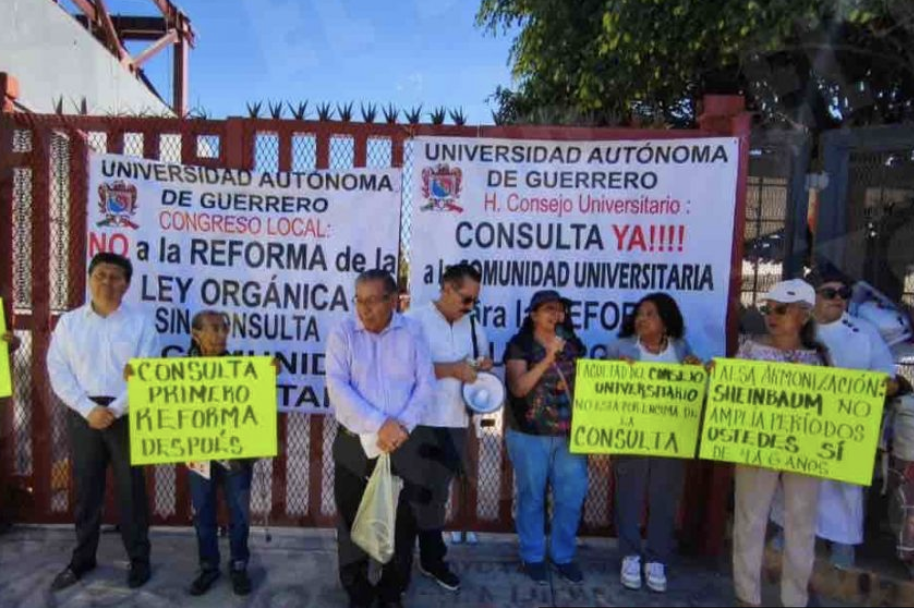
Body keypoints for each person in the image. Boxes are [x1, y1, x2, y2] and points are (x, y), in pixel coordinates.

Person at [770, 264, 897, 568]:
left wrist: (865, 389)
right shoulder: (796, 330)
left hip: (846, 431)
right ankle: (788, 534)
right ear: (811, 298)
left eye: (844, 293)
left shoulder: (864, 333)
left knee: (843, 493)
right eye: (830, 293)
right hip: (801, 426)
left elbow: (888, 379)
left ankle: (841, 546)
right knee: (794, 483)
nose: (838, 298)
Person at [46, 252, 158, 591]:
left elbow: (147, 370)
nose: (107, 282)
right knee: (87, 491)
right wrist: (86, 408)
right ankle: (82, 559)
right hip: (85, 416)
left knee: (132, 492)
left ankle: (139, 560)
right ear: (90, 278)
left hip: (125, 415)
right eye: (101, 275)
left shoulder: (140, 324)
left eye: (116, 277)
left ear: (126, 284)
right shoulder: (70, 323)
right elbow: (58, 369)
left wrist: (117, 409)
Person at [326, 269, 436, 608]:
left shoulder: (412, 331)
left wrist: (399, 426)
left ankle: (392, 590)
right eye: (359, 300)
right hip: (354, 445)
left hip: (404, 442)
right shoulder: (343, 333)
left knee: (403, 522)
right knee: (351, 519)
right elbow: (338, 388)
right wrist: (379, 424)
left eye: (373, 301)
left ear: (392, 300)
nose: (364, 309)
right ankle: (357, 590)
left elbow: (426, 384)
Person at [731, 279, 828, 608]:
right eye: (768, 309)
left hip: (804, 450)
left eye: (781, 310)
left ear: (803, 315)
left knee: (801, 524)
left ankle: (795, 599)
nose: (772, 316)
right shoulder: (749, 350)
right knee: (749, 518)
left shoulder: (820, 358)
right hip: (756, 446)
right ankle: (747, 596)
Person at [404, 262, 493, 590]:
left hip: (455, 422)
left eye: (474, 301)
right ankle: (397, 564)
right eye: (466, 299)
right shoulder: (413, 320)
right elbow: (402, 369)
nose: (470, 306)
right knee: (409, 495)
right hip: (416, 422)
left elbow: (477, 368)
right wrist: (452, 369)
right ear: (446, 288)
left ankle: (431, 559)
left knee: (437, 497)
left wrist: (481, 367)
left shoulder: (474, 326)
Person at [605, 293, 702, 593]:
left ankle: (657, 558)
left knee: (664, 500)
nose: (641, 319)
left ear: (665, 322)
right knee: (629, 500)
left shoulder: (681, 349)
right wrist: (617, 372)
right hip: (631, 438)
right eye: (639, 313)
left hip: (670, 440)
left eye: (650, 314)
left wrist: (697, 371)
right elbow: (606, 395)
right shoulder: (619, 348)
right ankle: (630, 556)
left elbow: (696, 390)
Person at [504, 289, 588, 585]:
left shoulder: (574, 344)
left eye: (561, 310)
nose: (557, 315)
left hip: (569, 437)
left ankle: (563, 555)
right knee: (532, 497)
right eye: (549, 309)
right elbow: (519, 388)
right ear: (533, 314)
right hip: (530, 436)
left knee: (571, 497)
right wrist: (549, 356)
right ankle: (532, 556)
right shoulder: (519, 345)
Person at [182, 310, 257, 596]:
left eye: (224, 328)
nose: (220, 334)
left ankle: (238, 565)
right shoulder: (178, 372)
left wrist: (266, 375)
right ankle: (208, 567)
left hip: (235, 457)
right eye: (213, 329)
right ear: (195, 333)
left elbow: (255, 409)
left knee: (239, 514)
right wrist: (136, 379)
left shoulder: (241, 369)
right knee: (203, 513)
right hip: (198, 455)